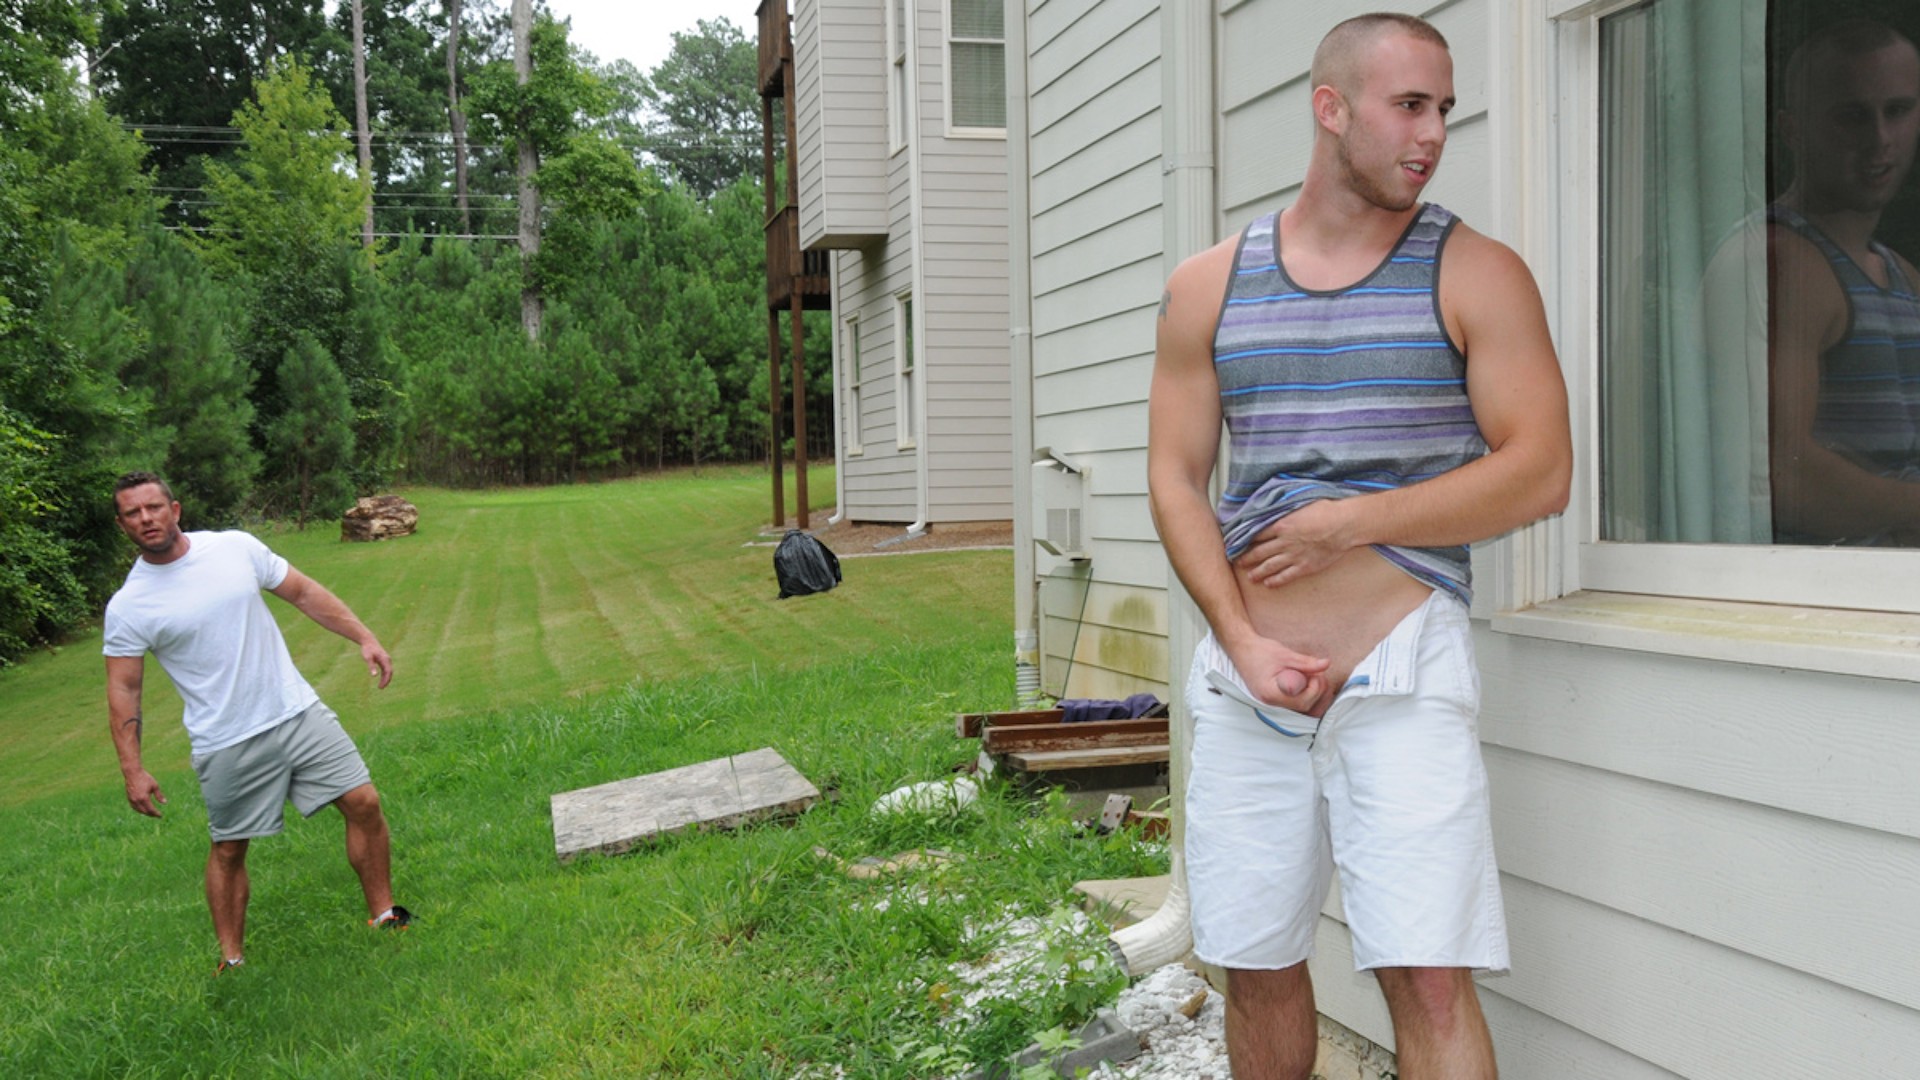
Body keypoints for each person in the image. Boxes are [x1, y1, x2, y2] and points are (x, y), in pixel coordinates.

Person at [1146, 14, 1571, 1079]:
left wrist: (1355, 520)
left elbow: (1542, 471)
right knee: (1256, 966)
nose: (1433, 134)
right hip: (1248, 684)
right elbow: (1174, 478)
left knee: (1428, 979)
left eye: (1445, 109)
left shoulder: (1476, 273)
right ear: (1330, 109)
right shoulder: (1209, 285)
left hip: (1404, 672)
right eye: (1409, 105)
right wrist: (1238, 638)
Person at [103, 471, 412, 976]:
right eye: (133, 514)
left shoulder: (233, 548)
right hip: (225, 740)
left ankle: (384, 915)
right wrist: (131, 769)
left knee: (364, 802)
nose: (146, 519)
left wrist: (364, 637)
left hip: (296, 711)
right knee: (229, 849)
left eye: (153, 507)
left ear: (174, 510)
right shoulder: (129, 606)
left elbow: (304, 592)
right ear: (123, 526)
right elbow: (124, 689)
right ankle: (231, 959)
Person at [1764, 18, 1920, 545]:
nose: (1880, 139)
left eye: (1898, 111)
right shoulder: (1783, 260)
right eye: (1851, 116)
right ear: (1792, 130)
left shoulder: (1902, 275)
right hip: (1826, 587)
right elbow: (1783, 475)